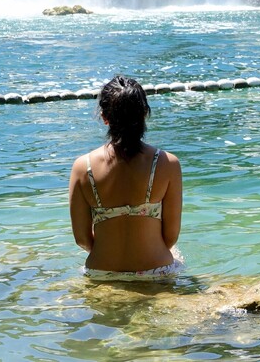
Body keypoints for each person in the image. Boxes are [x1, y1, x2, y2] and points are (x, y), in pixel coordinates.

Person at [69, 75, 183, 280]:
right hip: (155, 271)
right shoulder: (168, 163)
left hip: (101, 272)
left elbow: (82, 239)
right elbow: (171, 236)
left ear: (105, 117)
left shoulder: (82, 167)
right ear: (144, 114)